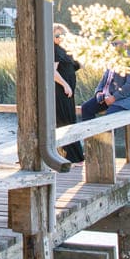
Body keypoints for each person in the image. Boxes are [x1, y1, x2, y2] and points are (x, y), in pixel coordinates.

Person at [52, 23, 84, 164]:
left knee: (70, 121)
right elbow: (52, 72)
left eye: (62, 35)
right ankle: (74, 158)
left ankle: (74, 157)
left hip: (68, 93)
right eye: (56, 35)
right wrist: (65, 85)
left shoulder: (64, 50)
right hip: (61, 91)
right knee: (66, 122)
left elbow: (76, 66)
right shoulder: (54, 50)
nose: (60, 38)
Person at [80, 53, 130, 120]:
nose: (113, 45)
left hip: (127, 99)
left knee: (110, 114)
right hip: (108, 97)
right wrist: (98, 92)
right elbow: (104, 79)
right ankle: (90, 130)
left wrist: (114, 97)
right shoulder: (111, 58)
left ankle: (109, 130)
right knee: (86, 108)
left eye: (116, 43)